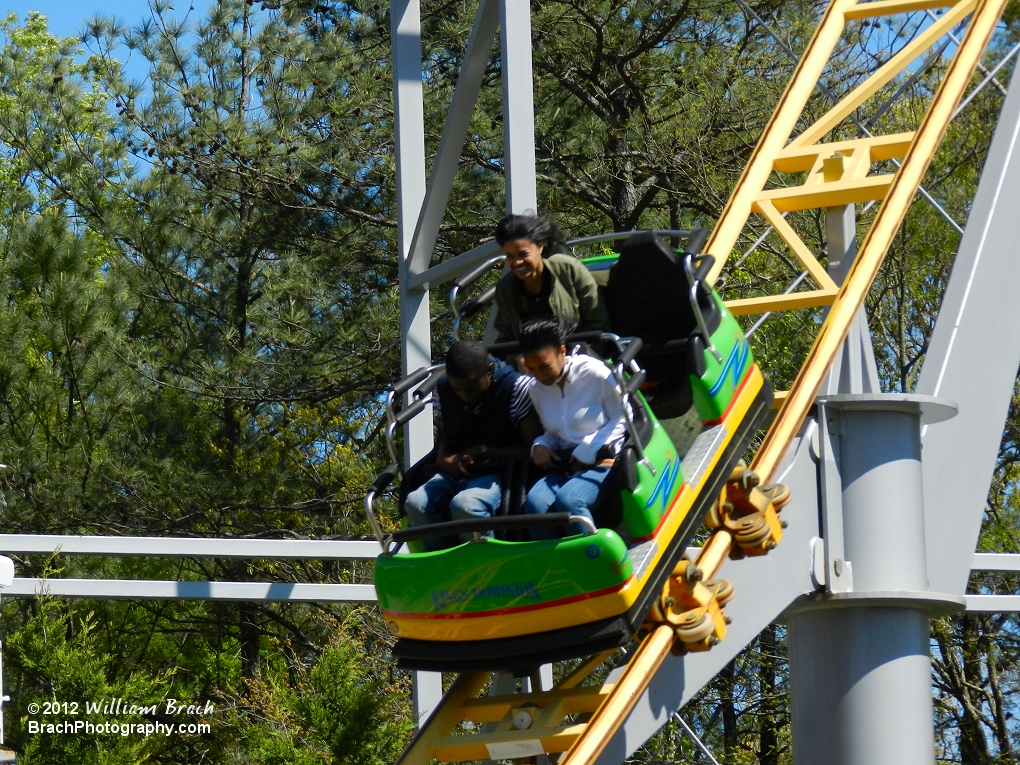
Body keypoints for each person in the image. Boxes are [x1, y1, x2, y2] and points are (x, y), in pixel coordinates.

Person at [404, 340, 541, 550]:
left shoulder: (516, 388)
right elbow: (445, 438)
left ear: (490, 370)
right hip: (457, 472)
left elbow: (533, 450)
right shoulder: (443, 388)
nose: (465, 396)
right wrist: (443, 456)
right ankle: (444, 565)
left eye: (472, 388)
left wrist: (486, 451)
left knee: (465, 505)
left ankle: (485, 567)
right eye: (457, 389)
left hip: (501, 472)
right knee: (415, 503)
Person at [519, 318, 630, 539]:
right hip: (565, 465)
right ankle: (554, 567)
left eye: (544, 367)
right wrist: (540, 444)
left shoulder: (594, 374)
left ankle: (590, 559)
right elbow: (553, 431)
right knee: (534, 504)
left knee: (569, 501)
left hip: (603, 462)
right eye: (531, 369)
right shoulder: (536, 388)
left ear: (562, 352)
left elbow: (624, 416)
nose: (539, 376)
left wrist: (589, 449)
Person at [492, 213, 610, 343]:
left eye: (523, 254)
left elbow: (598, 324)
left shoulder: (568, 269)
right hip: (526, 360)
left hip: (578, 355)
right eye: (510, 256)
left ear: (540, 247)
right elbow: (506, 338)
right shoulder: (506, 289)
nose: (517, 262)